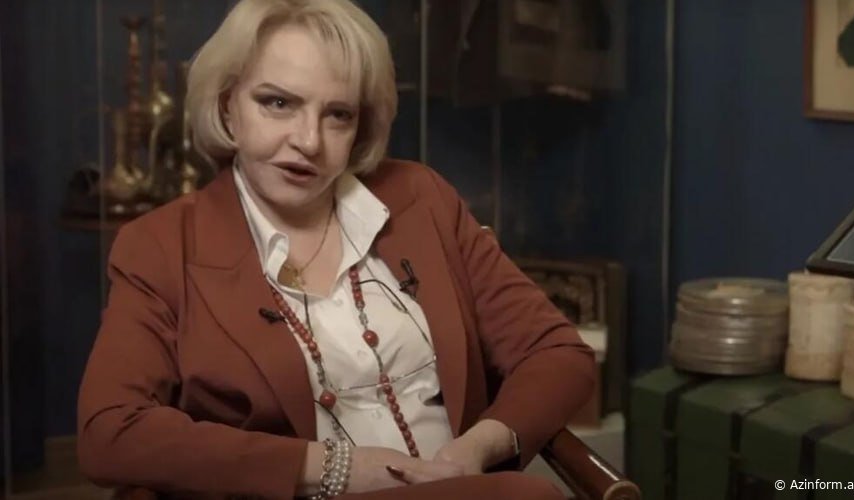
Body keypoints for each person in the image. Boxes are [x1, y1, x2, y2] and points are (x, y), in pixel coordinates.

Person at [77, 0, 595, 498]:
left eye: (338, 114)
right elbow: (111, 432)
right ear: (228, 107)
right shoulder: (161, 245)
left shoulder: (423, 199)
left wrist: (477, 449)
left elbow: (557, 352)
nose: (309, 140)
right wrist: (334, 469)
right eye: (278, 103)